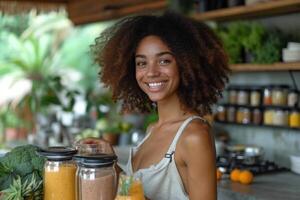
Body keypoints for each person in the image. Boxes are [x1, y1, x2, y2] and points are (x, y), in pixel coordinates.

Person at [92, 11, 229, 200]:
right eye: (141, 63)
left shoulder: (194, 135)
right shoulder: (152, 130)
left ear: (186, 64)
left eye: (164, 60)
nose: (151, 72)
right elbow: (134, 192)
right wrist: (110, 161)